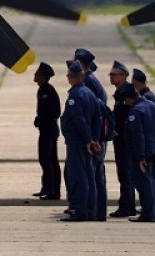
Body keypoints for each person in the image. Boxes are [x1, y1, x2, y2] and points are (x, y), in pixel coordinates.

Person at [60, 60, 102, 222]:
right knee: (89, 176)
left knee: (78, 177)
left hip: (78, 142)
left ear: (71, 77)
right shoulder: (90, 94)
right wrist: (95, 139)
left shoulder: (75, 95)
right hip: (87, 141)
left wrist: (87, 140)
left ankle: (80, 211)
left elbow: (79, 119)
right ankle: (90, 210)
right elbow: (97, 117)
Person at [74, 48, 107, 221]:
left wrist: (91, 139)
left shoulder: (88, 83)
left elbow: (92, 114)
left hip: (94, 138)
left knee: (92, 176)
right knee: (96, 175)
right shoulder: (91, 81)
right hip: (96, 136)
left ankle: (92, 212)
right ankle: (96, 212)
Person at [122, 84, 155, 222]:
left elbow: (138, 135)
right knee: (152, 183)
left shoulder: (136, 111)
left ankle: (148, 213)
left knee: (144, 184)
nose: (125, 103)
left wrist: (140, 157)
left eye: (125, 100)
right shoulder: (152, 105)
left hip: (143, 153)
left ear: (129, 99)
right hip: (153, 150)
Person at [109, 61, 137, 218]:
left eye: (114, 75)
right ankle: (129, 205)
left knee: (125, 173)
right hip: (122, 138)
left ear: (124, 76)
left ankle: (126, 206)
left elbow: (126, 117)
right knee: (125, 173)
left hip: (124, 140)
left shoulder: (125, 92)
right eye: (111, 75)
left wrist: (119, 130)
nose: (111, 77)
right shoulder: (121, 91)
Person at [32, 62, 61, 201]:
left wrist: (40, 119)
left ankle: (53, 190)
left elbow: (54, 111)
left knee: (48, 159)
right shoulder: (42, 90)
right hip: (45, 129)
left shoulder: (48, 90)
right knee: (45, 159)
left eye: (37, 73)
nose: (35, 75)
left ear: (42, 76)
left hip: (49, 129)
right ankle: (47, 187)